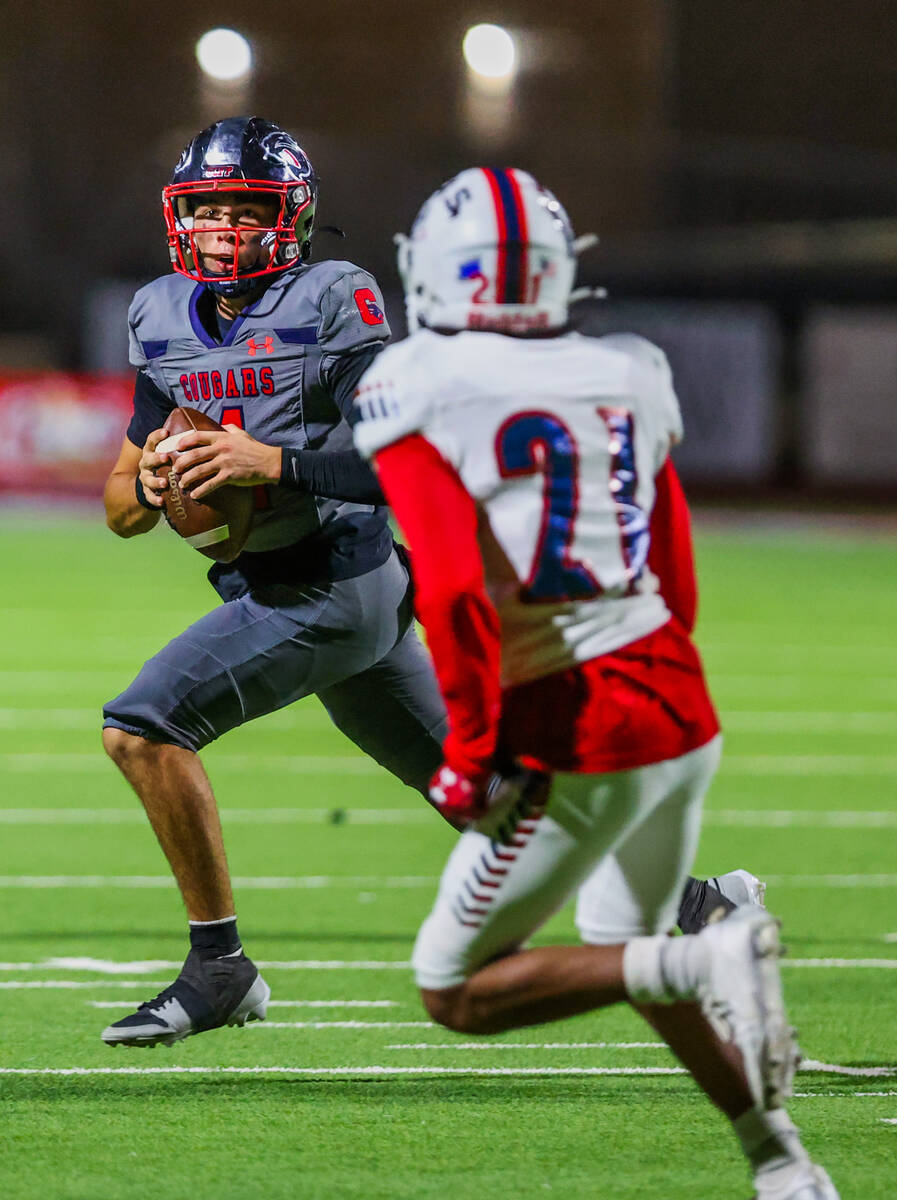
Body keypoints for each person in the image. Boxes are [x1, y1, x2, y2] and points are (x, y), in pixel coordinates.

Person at [99, 116, 759, 1048]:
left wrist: (270, 465)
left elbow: (413, 459)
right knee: (487, 802)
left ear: (289, 215)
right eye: (205, 209)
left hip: (336, 586)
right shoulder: (159, 313)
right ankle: (700, 908)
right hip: (272, 589)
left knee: (140, 728)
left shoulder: (334, 298)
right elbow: (122, 504)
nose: (221, 230)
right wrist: (156, 481)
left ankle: (220, 968)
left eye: (243, 210)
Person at [352, 167, 838, 1199]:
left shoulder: (414, 382)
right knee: (629, 947)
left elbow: (451, 597)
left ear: (440, 271)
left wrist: (473, 760)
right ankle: (782, 1161)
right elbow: (677, 564)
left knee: (454, 990)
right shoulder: (627, 366)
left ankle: (717, 958)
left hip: (578, 720)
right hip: (676, 701)